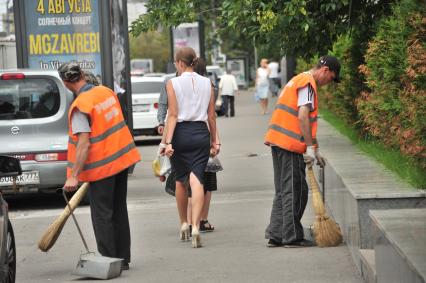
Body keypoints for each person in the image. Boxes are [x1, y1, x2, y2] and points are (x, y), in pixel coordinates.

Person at [58, 62, 141, 270]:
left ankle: (110, 262)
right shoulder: (105, 92)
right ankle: (123, 259)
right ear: (83, 75)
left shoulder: (80, 106)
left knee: (102, 214)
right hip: (121, 161)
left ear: (66, 82)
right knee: (119, 209)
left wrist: (73, 176)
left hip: (102, 167)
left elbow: (84, 144)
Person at [264, 55, 341, 247]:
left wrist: (315, 149)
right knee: (294, 190)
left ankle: (276, 234)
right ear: (325, 70)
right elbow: (302, 117)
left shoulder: (298, 79)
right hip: (290, 145)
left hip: (278, 141)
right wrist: (308, 148)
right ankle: (291, 236)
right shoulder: (308, 84)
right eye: (331, 78)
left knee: (283, 190)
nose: (328, 83)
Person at [163, 47, 219, 248]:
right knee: (198, 180)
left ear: (179, 63)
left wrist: (167, 142)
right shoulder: (208, 83)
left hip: (180, 134)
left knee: (180, 181)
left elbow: (173, 115)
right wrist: (215, 141)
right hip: (201, 134)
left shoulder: (172, 83)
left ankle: (184, 224)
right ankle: (196, 225)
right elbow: (211, 115)